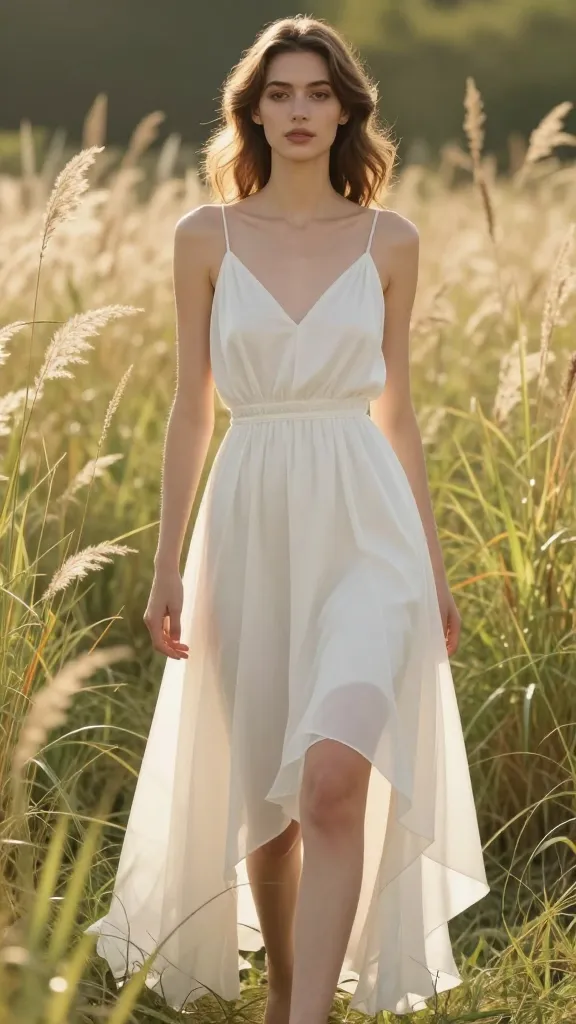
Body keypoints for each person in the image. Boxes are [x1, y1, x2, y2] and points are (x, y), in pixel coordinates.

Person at [87, 14, 490, 1023]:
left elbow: (398, 414)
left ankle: (308, 1016)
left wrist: (434, 570)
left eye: (318, 93)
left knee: (332, 781)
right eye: (280, 93)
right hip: (252, 514)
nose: (300, 111)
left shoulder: (391, 239)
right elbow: (192, 407)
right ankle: (284, 992)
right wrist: (166, 563)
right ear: (252, 110)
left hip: (367, 522)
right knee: (268, 795)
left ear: (347, 107)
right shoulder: (204, 236)